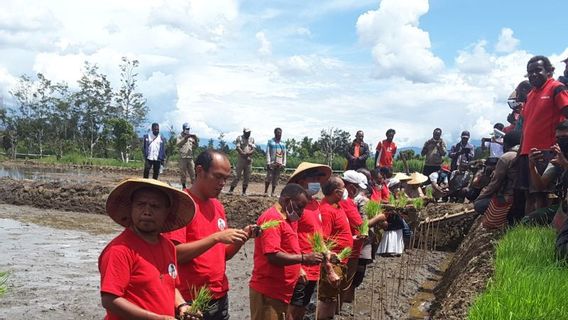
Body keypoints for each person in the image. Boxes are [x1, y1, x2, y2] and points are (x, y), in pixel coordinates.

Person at [165, 150, 253, 320]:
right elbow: (174, 255)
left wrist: (242, 238)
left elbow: (223, 255)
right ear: (199, 171)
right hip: (190, 298)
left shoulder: (217, 206)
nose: (222, 183)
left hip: (219, 294)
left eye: (226, 179)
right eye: (218, 177)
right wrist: (216, 238)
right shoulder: (182, 206)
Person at [98, 178, 200, 320]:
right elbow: (110, 300)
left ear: (167, 212)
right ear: (131, 208)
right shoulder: (119, 250)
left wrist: (182, 305)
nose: (147, 212)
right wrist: (155, 318)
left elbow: (169, 287)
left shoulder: (168, 246)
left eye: (155, 206)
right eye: (140, 204)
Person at [249, 184, 323, 320]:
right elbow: (272, 255)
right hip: (269, 290)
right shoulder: (272, 218)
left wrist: (298, 269)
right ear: (287, 200)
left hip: (283, 290)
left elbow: (290, 248)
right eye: (300, 207)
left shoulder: (289, 219)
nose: (301, 213)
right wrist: (303, 259)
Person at [517, 55, 568, 214]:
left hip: (546, 151)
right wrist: (520, 152)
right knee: (528, 194)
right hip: (527, 153)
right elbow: (526, 125)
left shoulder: (556, 88)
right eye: (529, 72)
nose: (533, 75)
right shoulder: (530, 95)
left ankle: (541, 232)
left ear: (549, 71)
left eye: (537, 70)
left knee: (542, 195)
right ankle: (525, 231)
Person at [285, 162, 331, 320]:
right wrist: (298, 267)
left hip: (314, 267)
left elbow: (316, 233)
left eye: (318, 177)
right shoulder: (296, 205)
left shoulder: (315, 204)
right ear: (300, 181)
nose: (317, 181)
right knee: (293, 308)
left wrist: (326, 251)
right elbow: (289, 236)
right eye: (312, 177)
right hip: (301, 267)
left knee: (304, 307)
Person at [317, 176, 353, 319]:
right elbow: (322, 240)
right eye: (343, 187)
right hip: (332, 262)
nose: (346, 190)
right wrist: (329, 268)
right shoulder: (326, 210)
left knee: (332, 297)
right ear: (336, 191)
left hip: (341, 261)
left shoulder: (337, 206)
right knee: (327, 298)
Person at [474, 131, 521, 229]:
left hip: (511, 198)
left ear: (506, 144)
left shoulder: (506, 157)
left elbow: (495, 184)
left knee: (479, 205)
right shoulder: (524, 154)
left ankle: (505, 221)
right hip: (525, 198)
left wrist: (480, 197)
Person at [228, 128, 255, 196]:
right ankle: (231, 190)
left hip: (249, 161)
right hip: (241, 160)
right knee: (237, 176)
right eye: (247, 132)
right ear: (244, 132)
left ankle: (244, 192)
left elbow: (253, 149)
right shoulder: (239, 138)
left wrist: (249, 154)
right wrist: (244, 154)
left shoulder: (252, 139)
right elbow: (238, 148)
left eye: (249, 132)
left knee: (247, 176)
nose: (248, 134)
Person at [265, 128, 287, 197]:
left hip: (279, 164)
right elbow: (268, 152)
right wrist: (268, 162)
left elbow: (284, 154)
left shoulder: (283, 143)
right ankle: (265, 192)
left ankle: (273, 192)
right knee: (269, 177)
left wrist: (284, 163)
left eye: (280, 133)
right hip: (272, 163)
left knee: (276, 178)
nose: (279, 134)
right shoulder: (270, 142)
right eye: (278, 133)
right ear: (275, 133)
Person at [177, 122, 199, 189]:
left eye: (188, 129)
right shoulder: (179, 136)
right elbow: (178, 144)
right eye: (186, 128)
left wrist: (195, 140)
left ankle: (195, 187)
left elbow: (195, 147)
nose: (188, 130)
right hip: (182, 157)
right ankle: (184, 187)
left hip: (190, 158)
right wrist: (185, 138)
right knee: (183, 173)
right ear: (183, 128)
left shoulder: (191, 137)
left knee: (193, 172)